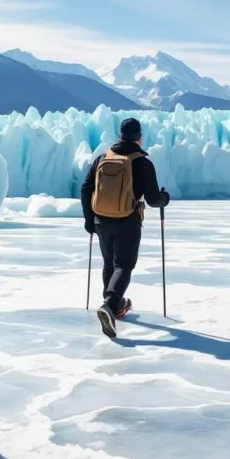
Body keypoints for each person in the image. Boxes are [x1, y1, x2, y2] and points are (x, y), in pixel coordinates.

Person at [80, 118, 169, 338]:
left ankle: (116, 306)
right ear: (139, 138)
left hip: (101, 220)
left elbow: (85, 188)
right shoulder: (142, 163)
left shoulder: (103, 158)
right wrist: (164, 199)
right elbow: (153, 199)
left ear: (119, 136)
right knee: (124, 265)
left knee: (109, 264)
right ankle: (109, 305)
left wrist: (89, 220)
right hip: (127, 220)